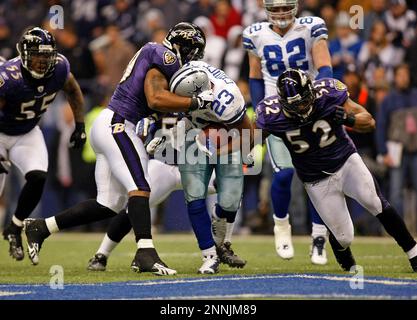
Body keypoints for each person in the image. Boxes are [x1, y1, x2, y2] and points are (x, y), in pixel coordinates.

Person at [23, 22, 211, 276]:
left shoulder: (156, 54)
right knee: (140, 187)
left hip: (112, 124)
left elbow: (154, 105)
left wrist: (165, 120)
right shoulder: (164, 56)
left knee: (108, 203)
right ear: (182, 45)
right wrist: (195, 101)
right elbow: (156, 98)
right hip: (118, 124)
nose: (193, 58)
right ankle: (145, 252)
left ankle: (42, 227)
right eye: (193, 51)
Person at [255, 68, 417, 272]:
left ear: (311, 91)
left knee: (375, 202)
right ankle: (346, 262)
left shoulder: (328, 93)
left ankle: (413, 252)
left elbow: (369, 122)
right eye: (295, 105)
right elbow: (250, 142)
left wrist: (350, 120)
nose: (302, 107)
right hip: (316, 179)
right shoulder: (271, 115)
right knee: (344, 237)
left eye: (304, 100)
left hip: (346, 161)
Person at [242, 0, 332, 264]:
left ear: (295, 7)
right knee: (284, 174)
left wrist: (324, 96)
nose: (281, 13)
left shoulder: (311, 27)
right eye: (276, 9)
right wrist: (261, 110)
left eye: (285, 8)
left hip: (310, 108)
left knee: (318, 178)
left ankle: (319, 235)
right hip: (278, 113)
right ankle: (281, 226)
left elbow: (324, 65)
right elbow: (255, 75)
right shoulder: (254, 33)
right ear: (267, 9)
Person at [0, 27, 86, 261]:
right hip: (0, 133)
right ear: (24, 54)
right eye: (37, 55)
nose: (42, 61)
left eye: (46, 55)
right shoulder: (8, 76)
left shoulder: (59, 68)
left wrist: (79, 125)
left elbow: (73, 90)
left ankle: (15, 228)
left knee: (38, 177)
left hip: (27, 132)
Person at [169, 61, 253, 273]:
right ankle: (210, 256)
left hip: (229, 135)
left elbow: (250, 137)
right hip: (193, 132)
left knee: (230, 201)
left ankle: (222, 242)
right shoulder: (184, 75)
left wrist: (218, 151)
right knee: (194, 194)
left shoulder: (228, 99)